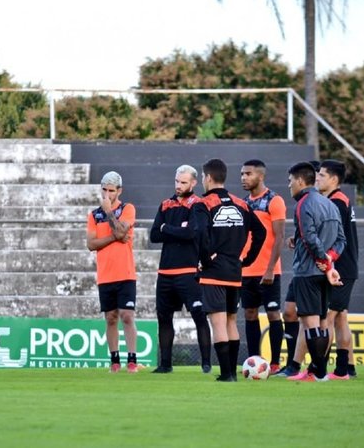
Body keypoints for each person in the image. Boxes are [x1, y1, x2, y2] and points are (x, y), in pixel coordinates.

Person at [193, 159, 266, 382]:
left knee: (218, 322)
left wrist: (204, 260)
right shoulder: (241, 204)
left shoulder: (203, 204)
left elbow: (200, 234)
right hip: (235, 271)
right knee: (231, 321)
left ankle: (227, 374)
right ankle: (232, 372)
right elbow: (261, 232)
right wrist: (247, 259)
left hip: (214, 273)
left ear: (207, 178)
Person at [285, 161, 345, 382]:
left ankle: (318, 373)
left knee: (310, 324)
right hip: (323, 272)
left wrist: (323, 261)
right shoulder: (329, 204)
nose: (289, 185)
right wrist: (329, 262)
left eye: (290, 181)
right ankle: (316, 370)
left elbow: (311, 238)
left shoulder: (303, 203)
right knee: (321, 323)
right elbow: (341, 240)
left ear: (300, 181)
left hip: (308, 272)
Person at [149, 165, 211, 374]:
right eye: (177, 181)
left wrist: (167, 228)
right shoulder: (166, 204)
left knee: (198, 315)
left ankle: (206, 364)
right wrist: (175, 230)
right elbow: (154, 235)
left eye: (183, 182)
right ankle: (165, 365)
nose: (178, 186)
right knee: (164, 318)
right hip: (165, 272)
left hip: (187, 271)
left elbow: (192, 234)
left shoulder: (198, 204)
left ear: (193, 183)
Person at [86, 171, 138, 373]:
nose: (107, 194)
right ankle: (114, 360)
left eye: (111, 190)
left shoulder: (128, 209)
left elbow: (120, 232)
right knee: (110, 317)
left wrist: (109, 214)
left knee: (127, 315)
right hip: (105, 274)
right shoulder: (93, 215)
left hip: (125, 272)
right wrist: (116, 237)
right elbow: (91, 244)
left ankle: (132, 359)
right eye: (105, 190)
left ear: (119, 191)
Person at [239, 159, 286, 374]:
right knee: (249, 314)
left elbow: (279, 238)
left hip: (268, 272)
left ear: (261, 176)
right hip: (247, 271)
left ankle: (275, 363)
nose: (243, 178)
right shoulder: (242, 204)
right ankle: (254, 361)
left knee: (274, 314)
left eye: (248, 174)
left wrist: (269, 269)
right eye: (242, 174)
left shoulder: (273, 201)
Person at [314, 159, 359, 379]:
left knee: (328, 318)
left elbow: (334, 238)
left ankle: (325, 369)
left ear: (333, 179)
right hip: (345, 267)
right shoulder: (338, 199)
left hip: (340, 268)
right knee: (340, 318)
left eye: (321, 175)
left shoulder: (337, 202)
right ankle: (346, 367)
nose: (317, 178)